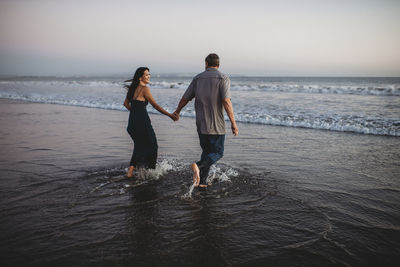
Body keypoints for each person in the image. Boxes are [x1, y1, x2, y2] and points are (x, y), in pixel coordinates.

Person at [173, 53, 238, 188]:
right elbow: (226, 101)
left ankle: (202, 182)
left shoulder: (197, 78)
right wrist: (233, 123)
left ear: (206, 63)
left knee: (207, 152)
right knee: (218, 153)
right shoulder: (223, 78)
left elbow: (185, 98)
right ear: (218, 64)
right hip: (216, 125)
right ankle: (198, 165)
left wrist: (177, 111)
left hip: (201, 125)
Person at [123, 67, 177, 178]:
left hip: (132, 124)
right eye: (146, 75)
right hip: (143, 123)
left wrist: (135, 112)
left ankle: (132, 170)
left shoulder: (132, 89)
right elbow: (155, 106)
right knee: (153, 146)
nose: (149, 76)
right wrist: (170, 115)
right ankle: (151, 171)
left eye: (149, 74)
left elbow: (126, 104)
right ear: (140, 77)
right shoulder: (145, 89)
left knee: (139, 146)